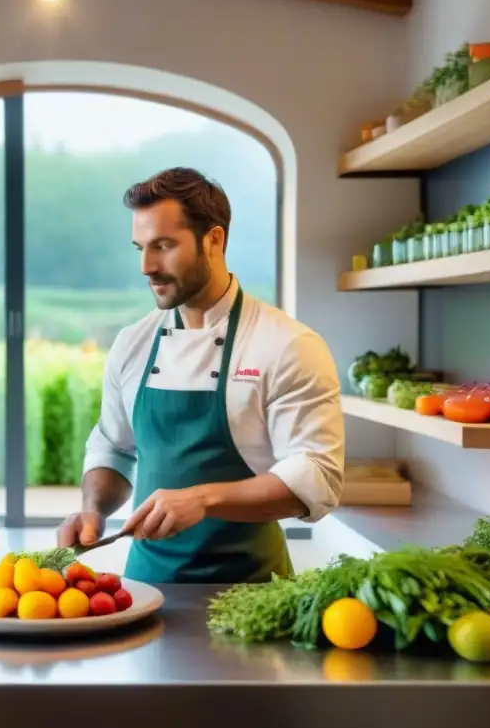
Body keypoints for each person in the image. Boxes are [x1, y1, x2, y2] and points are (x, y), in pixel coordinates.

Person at [56, 167, 345, 584]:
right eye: (140, 247)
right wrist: (93, 510)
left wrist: (204, 499)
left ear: (214, 240)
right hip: (144, 589)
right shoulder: (132, 343)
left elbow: (317, 476)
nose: (146, 266)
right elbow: (114, 447)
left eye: (164, 246)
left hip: (253, 592)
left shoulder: (288, 345)